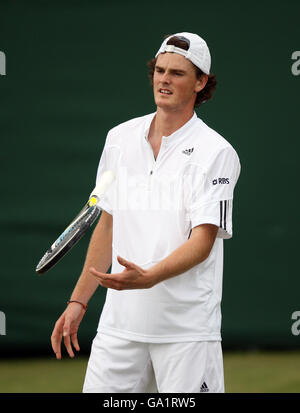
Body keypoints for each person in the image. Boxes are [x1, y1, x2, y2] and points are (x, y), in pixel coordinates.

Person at [51, 32, 241, 393]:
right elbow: (108, 222)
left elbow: (202, 241)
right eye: (159, 70)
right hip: (118, 328)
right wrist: (78, 300)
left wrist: (151, 276)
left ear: (201, 83)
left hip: (186, 333)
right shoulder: (119, 139)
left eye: (178, 74)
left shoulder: (217, 152)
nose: (164, 80)